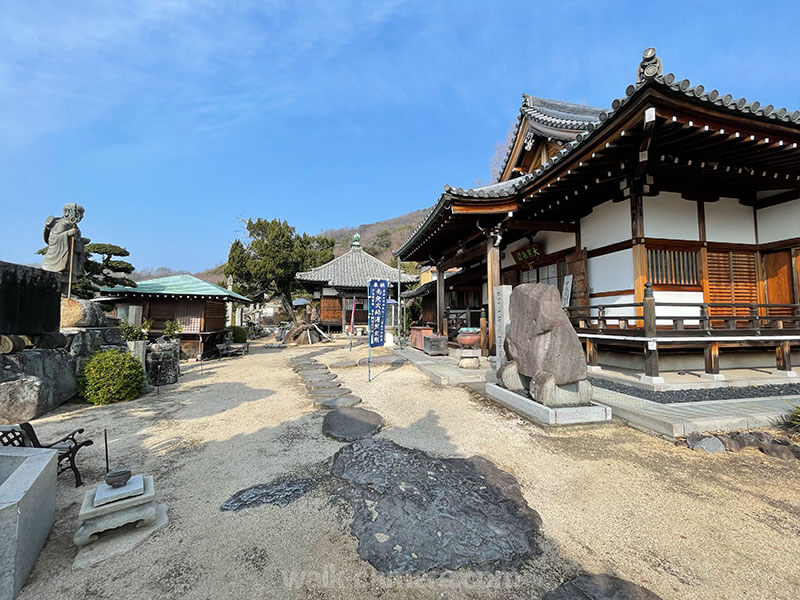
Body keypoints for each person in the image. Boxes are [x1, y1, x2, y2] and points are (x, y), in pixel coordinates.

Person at [42, 203, 90, 295]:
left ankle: (66, 291)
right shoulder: (61, 224)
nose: (82, 217)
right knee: (62, 273)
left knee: (70, 274)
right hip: (62, 254)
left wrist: (82, 241)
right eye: (79, 213)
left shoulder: (74, 226)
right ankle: (58, 291)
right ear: (68, 212)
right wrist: (67, 234)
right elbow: (53, 239)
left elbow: (75, 240)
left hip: (72, 255)